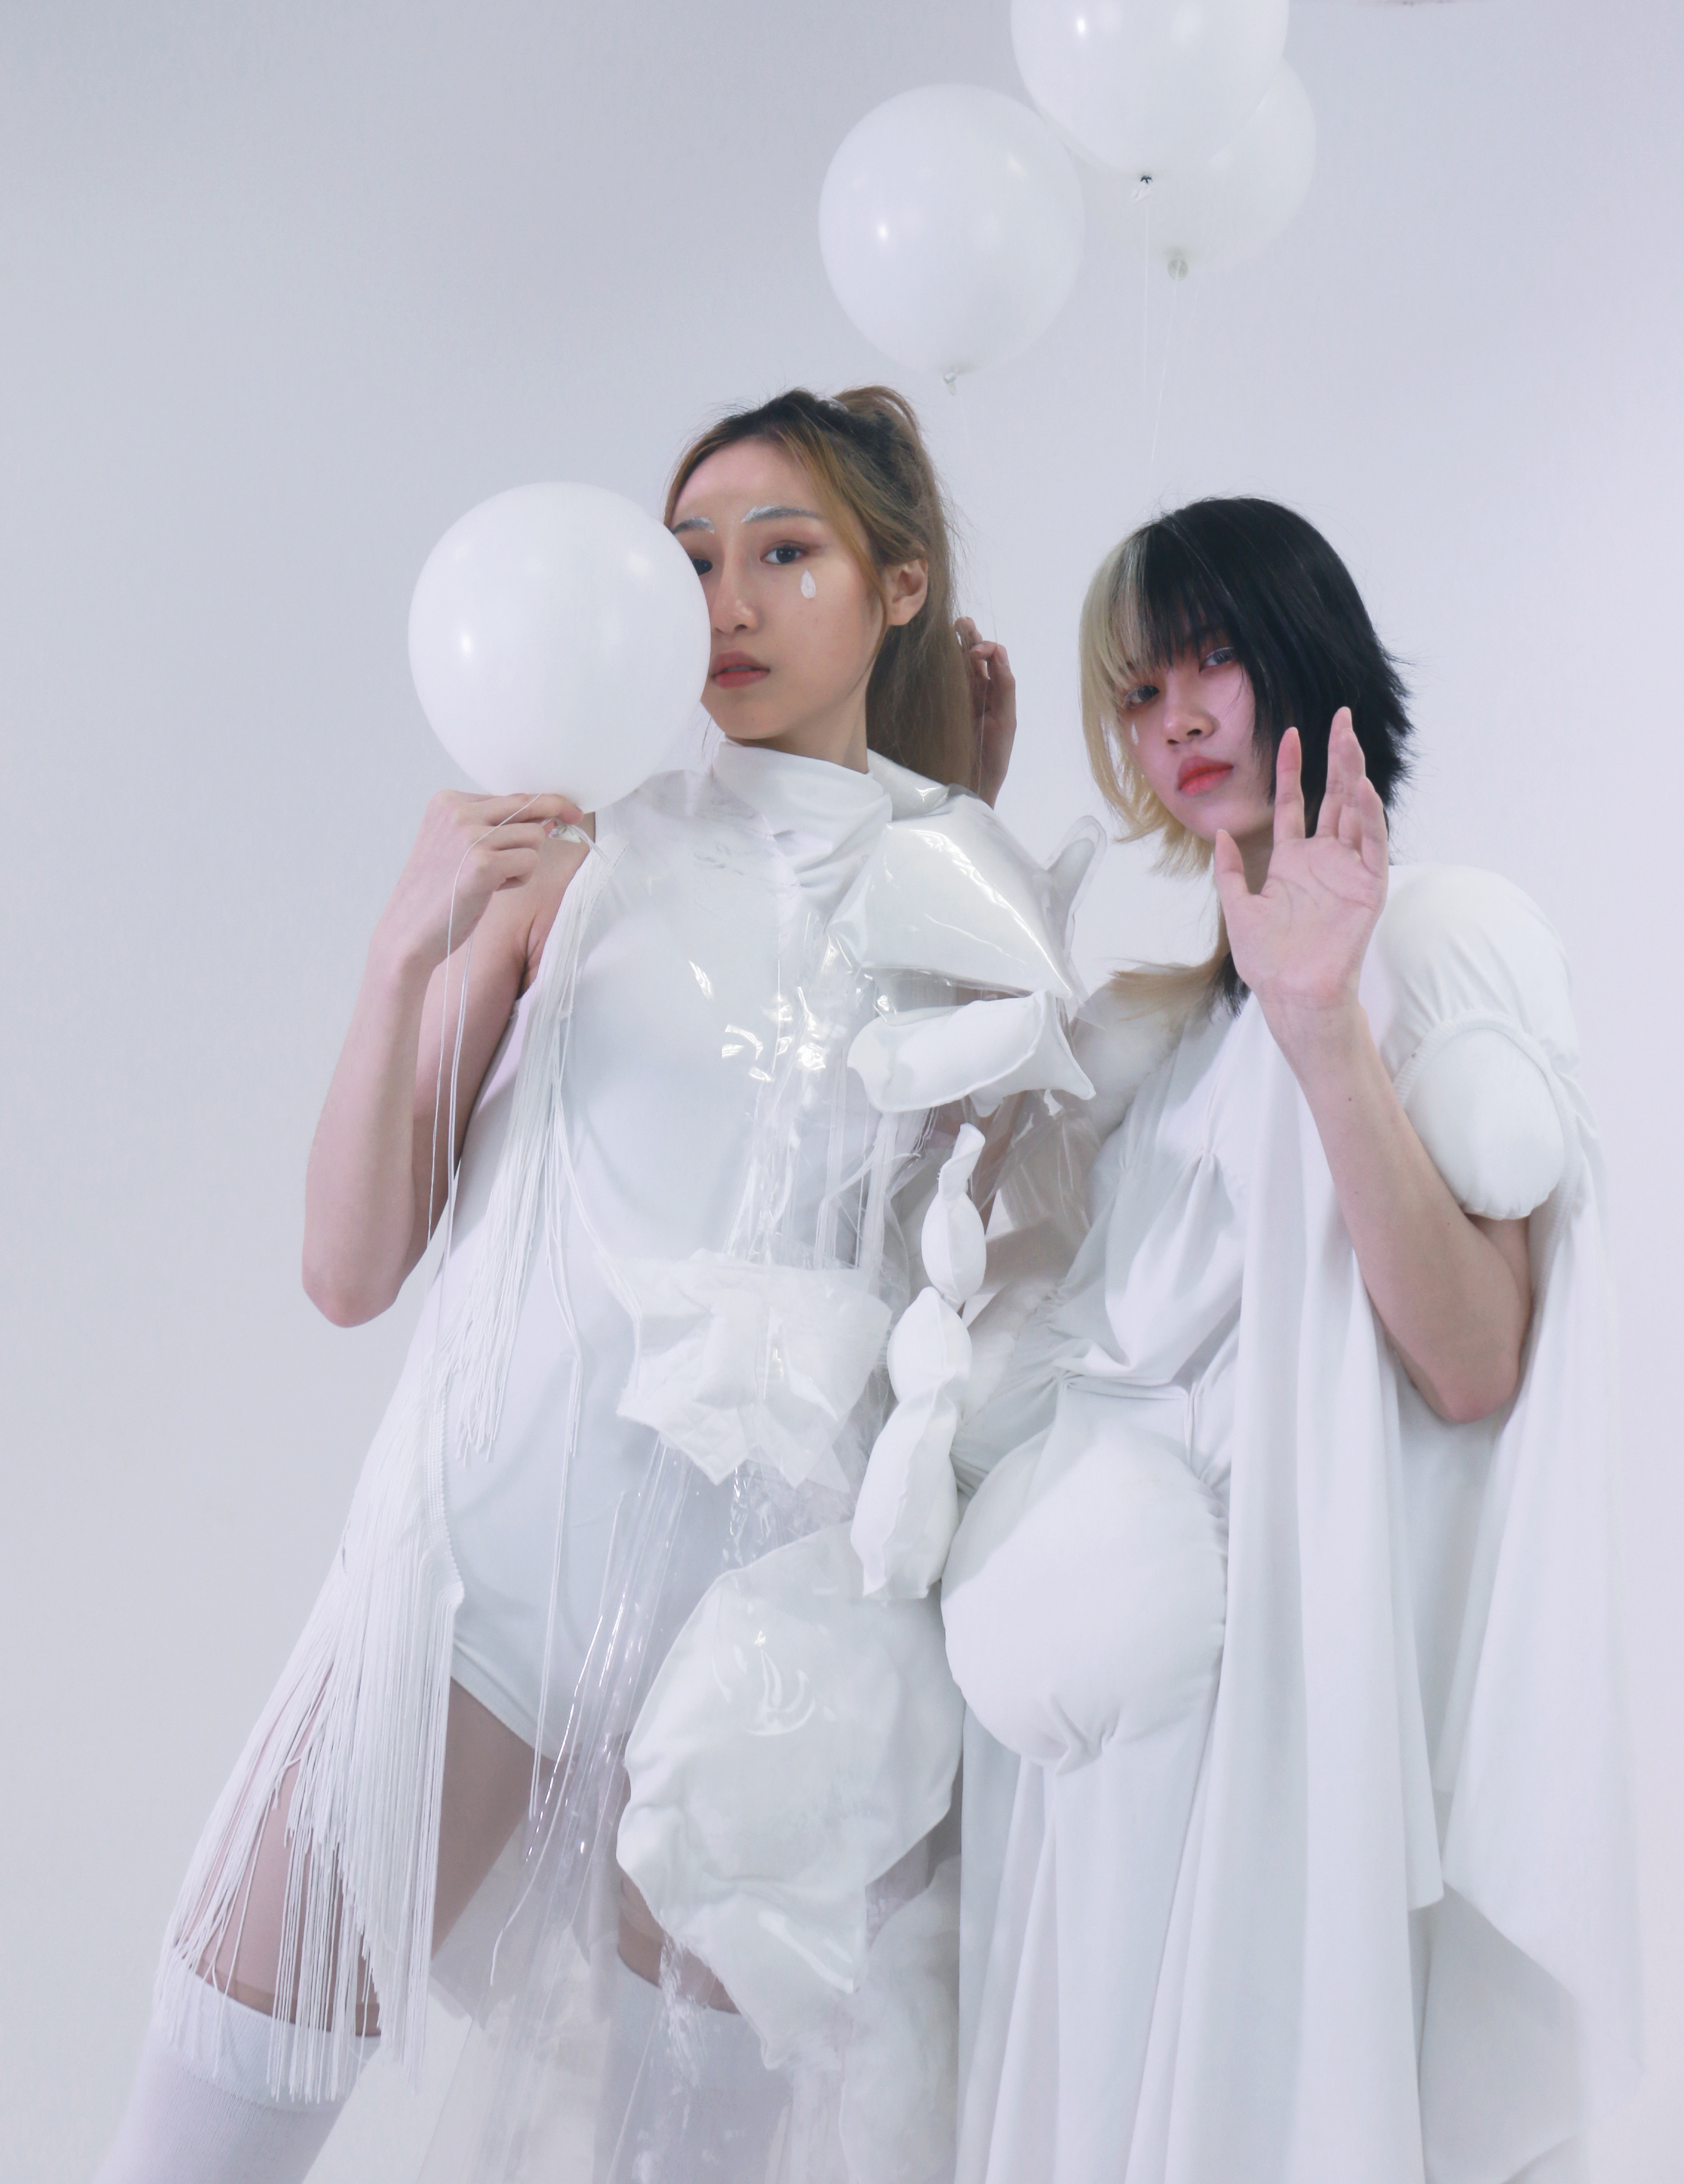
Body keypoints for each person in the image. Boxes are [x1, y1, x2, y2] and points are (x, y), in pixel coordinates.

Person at [96, 386, 1091, 2184]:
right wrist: (403, 950)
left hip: (753, 1667)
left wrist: (959, 834)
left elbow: (981, 1296)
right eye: (689, 559)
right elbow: (346, 1270)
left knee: (668, 2151)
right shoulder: (581, 857)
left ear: (897, 587)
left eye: (782, 553)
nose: (727, 600)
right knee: (212, 2099)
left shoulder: (968, 901)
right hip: (484, 1586)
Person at [941, 498, 1640, 2184]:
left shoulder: (1438, 934)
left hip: (1286, 1749)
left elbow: (1475, 1363)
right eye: (1137, 691)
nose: (1174, 716)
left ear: (1304, 653)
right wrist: (953, 831)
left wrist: (1324, 1026)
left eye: (1212, 659)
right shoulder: (1163, 1035)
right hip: (1109, 1798)